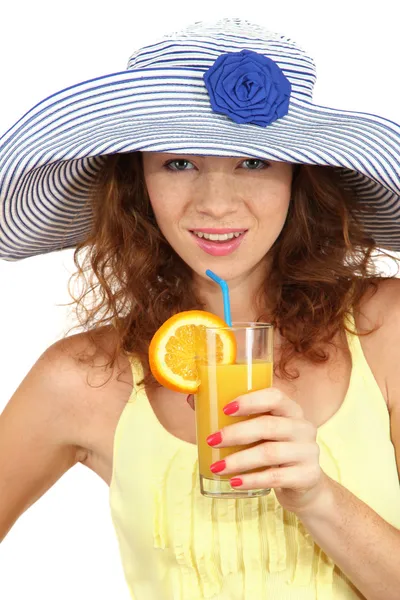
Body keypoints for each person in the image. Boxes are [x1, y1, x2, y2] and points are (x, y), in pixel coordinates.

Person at [1, 16, 400, 600]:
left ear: (301, 177)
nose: (215, 204)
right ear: (138, 181)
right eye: (180, 163)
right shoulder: (82, 377)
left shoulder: (384, 329)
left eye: (254, 162)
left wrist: (317, 496)